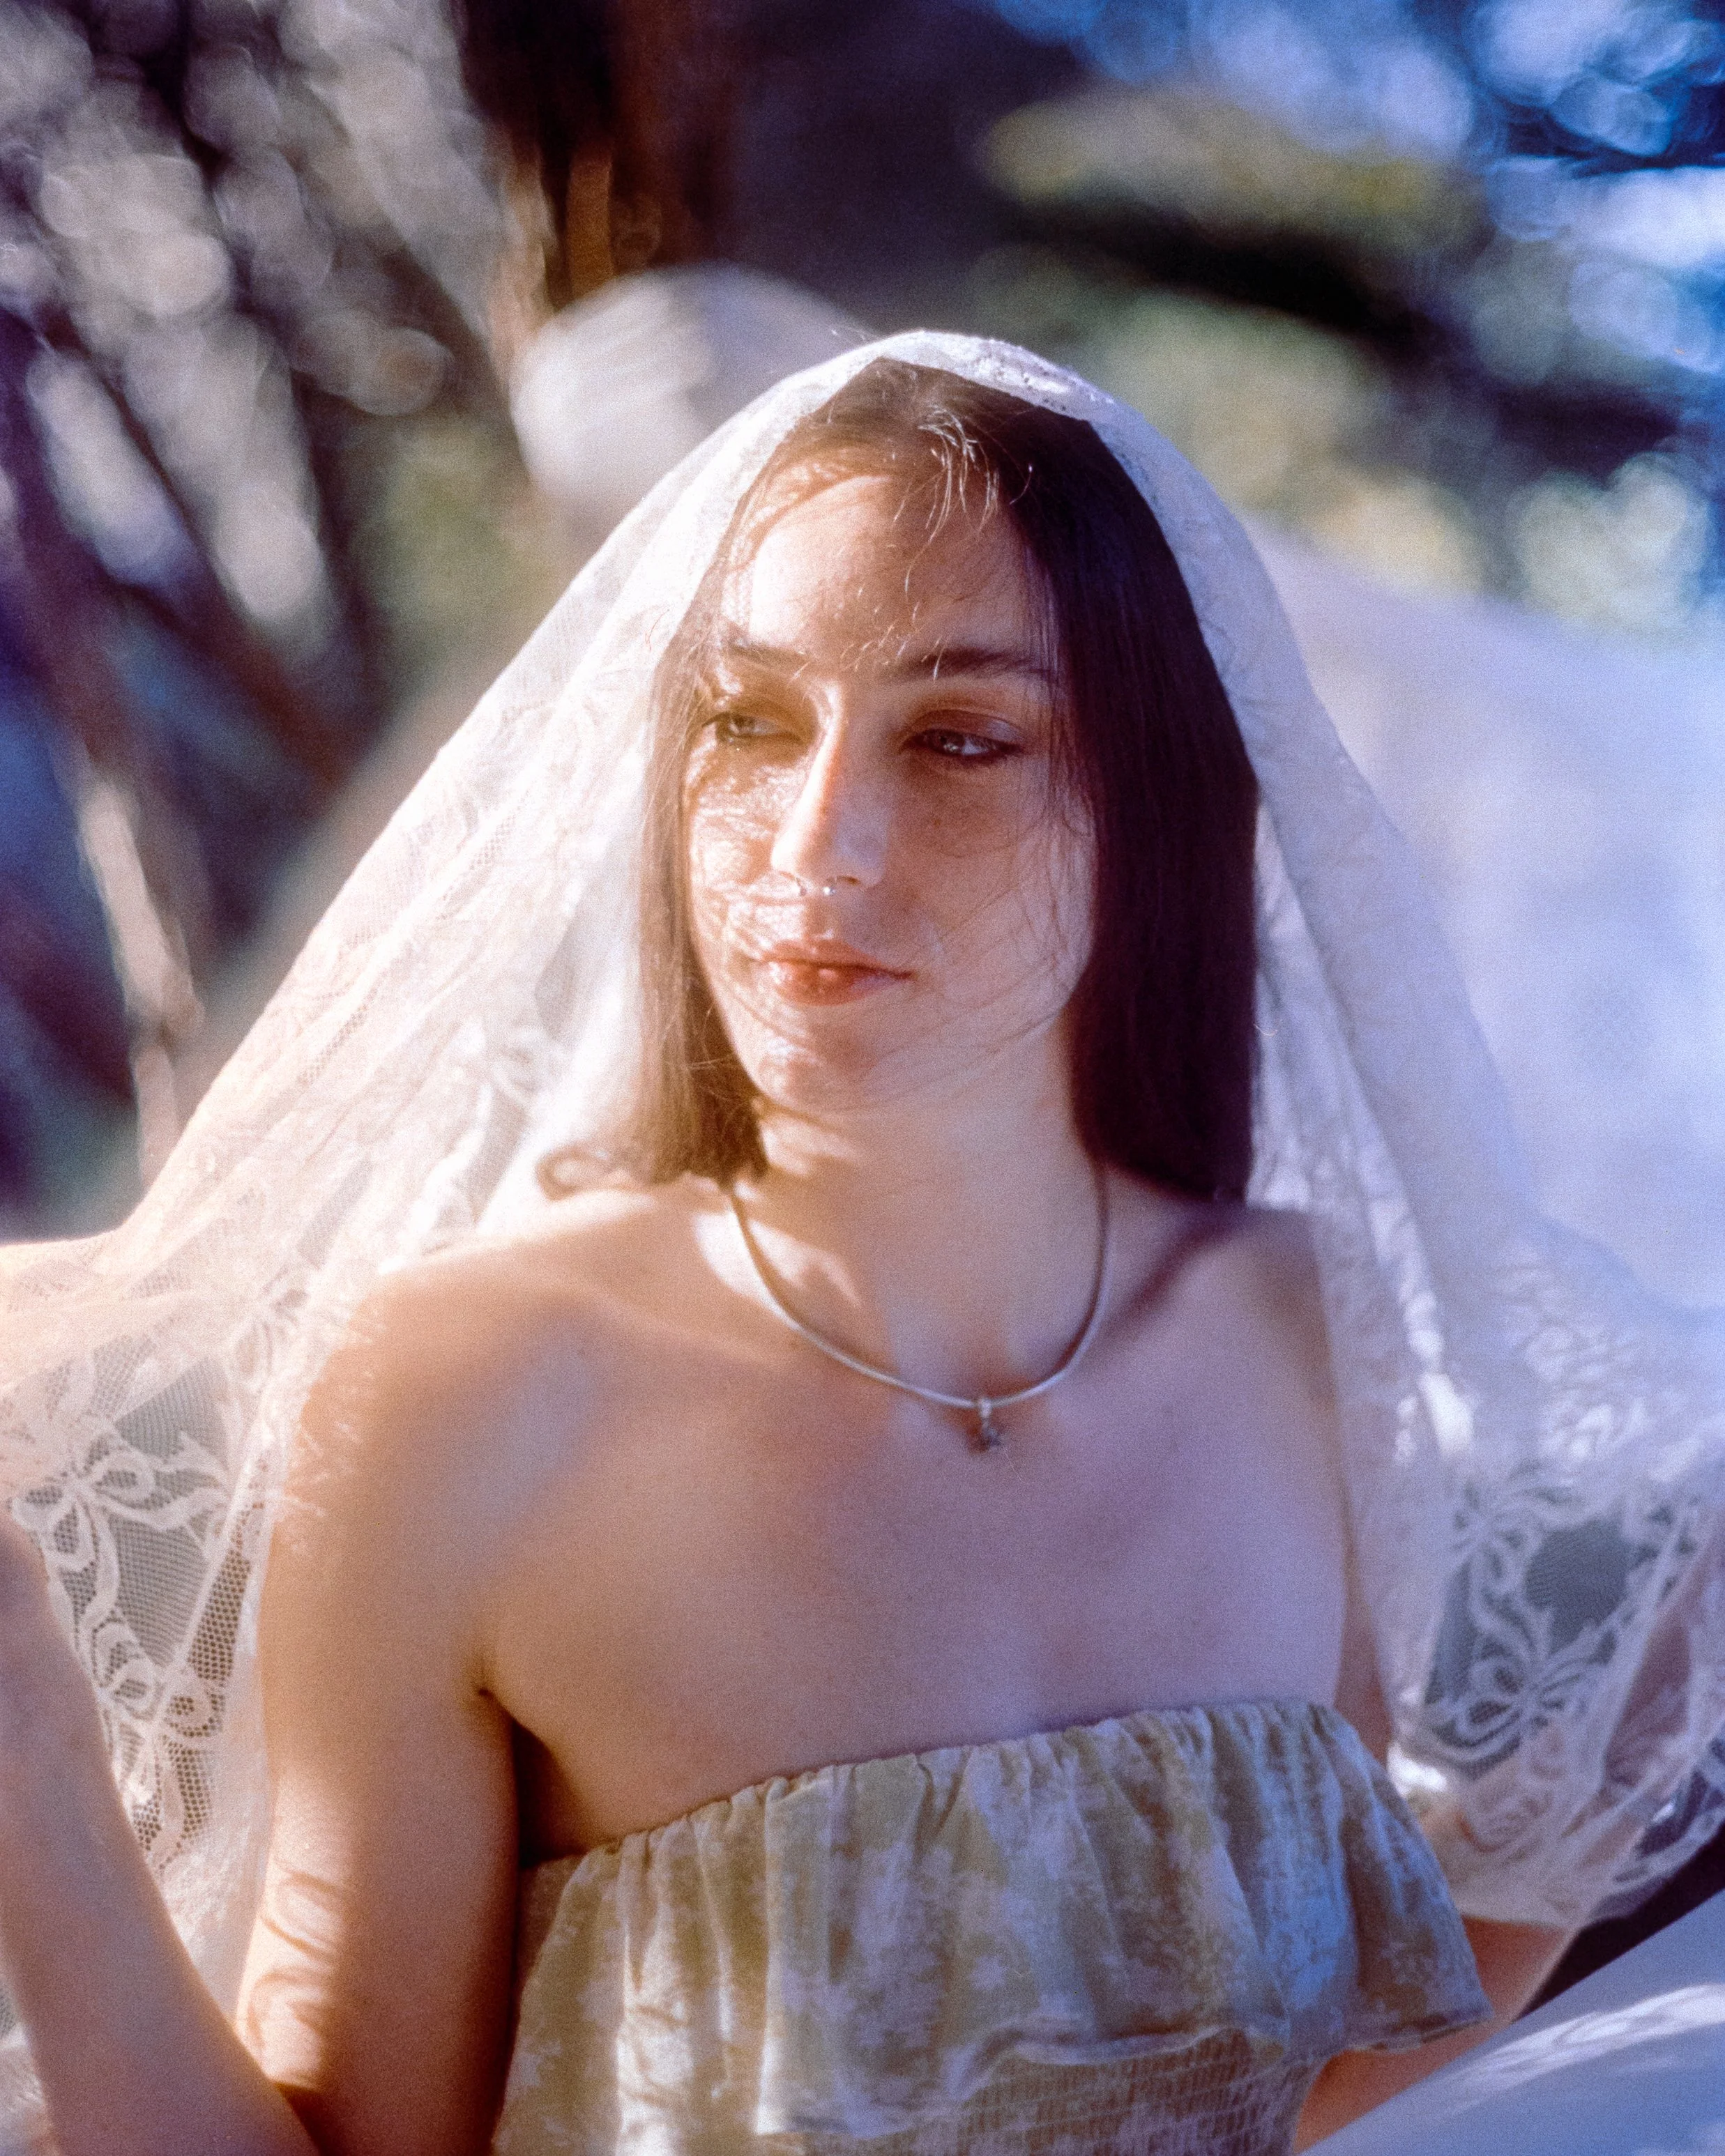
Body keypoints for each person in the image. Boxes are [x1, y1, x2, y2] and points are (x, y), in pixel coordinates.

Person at [1, 340, 1721, 2156]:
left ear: (1161, 811)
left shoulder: (1311, 1337)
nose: (817, 843)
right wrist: (33, 1759)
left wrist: (1603, 1803)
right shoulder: (467, 1400)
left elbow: (1327, 2096)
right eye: (746, 721)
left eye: (961, 735)